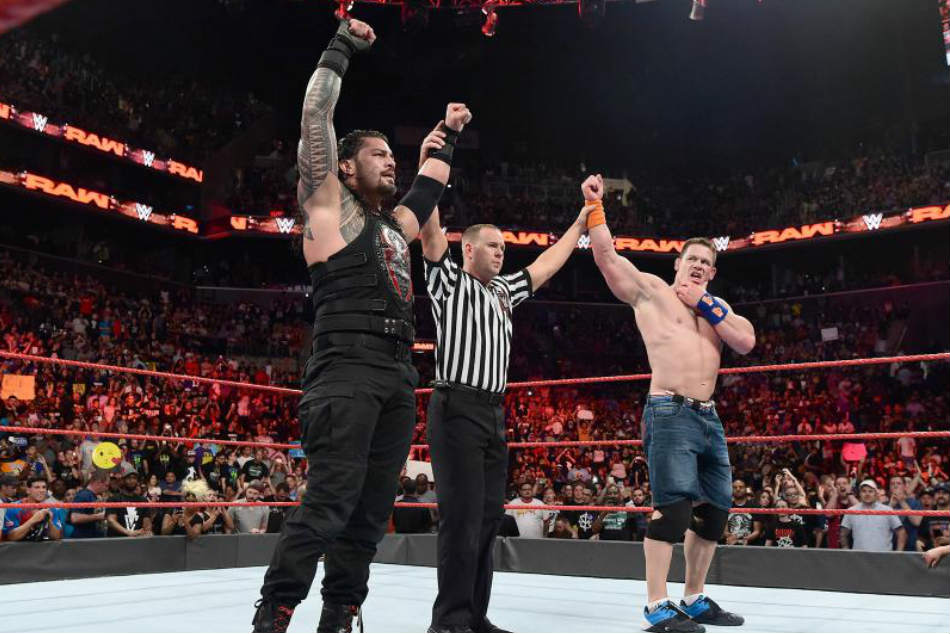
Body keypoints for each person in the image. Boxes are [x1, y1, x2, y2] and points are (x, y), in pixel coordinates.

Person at [253, 15, 470, 633]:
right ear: (346, 167)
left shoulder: (394, 226)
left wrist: (447, 137)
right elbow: (315, 115)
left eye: (392, 155)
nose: (390, 162)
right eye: (378, 154)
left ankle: (340, 612)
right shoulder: (328, 205)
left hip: (397, 375)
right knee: (329, 500)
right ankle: (274, 613)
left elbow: (428, 190)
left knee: (371, 511)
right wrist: (342, 46)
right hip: (345, 369)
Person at [417, 152, 589, 634]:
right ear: (468, 249)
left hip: (493, 413)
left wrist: (581, 220)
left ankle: (475, 615)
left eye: (503, 247)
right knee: (461, 517)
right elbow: (430, 234)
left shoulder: (504, 291)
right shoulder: (448, 281)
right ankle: (449, 620)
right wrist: (431, 164)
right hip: (456, 406)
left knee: (489, 517)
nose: (500, 253)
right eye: (492, 246)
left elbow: (546, 264)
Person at [586, 173, 755, 633]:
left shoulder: (718, 310)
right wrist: (596, 208)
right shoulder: (654, 292)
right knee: (674, 509)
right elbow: (607, 258)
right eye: (692, 259)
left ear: (712, 273)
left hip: (708, 417)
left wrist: (707, 304)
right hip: (669, 411)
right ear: (678, 263)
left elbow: (746, 341)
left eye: (706, 262)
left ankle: (694, 598)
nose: (698, 266)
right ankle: (656, 604)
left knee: (714, 511)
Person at [840, 480, 906, 552]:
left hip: (884, 557)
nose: (867, 494)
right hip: (858, 556)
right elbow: (843, 534)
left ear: (876, 493)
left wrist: (899, 553)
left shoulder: (887, 510)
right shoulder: (851, 511)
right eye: (864, 491)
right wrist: (846, 551)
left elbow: (901, 532)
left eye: (870, 491)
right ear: (860, 494)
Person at [2, 476, 63, 542]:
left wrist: (49, 521)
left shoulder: (51, 509)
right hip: (19, 548)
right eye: (37, 487)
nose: (41, 490)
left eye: (44, 487)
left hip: (43, 548)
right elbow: (11, 537)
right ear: (28, 490)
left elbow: (57, 536)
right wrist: (33, 520)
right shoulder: (14, 508)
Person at [106, 471, 153, 537]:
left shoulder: (143, 500)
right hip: (117, 540)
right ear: (123, 480)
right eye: (129, 478)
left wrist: (147, 532)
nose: (132, 481)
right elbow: (111, 521)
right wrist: (128, 532)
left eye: (134, 478)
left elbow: (147, 522)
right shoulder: (114, 499)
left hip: (137, 539)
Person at [69, 470, 110, 539]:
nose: (107, 488)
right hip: (83, 539)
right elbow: (74, 518)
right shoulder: (83, 495)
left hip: (92, 538)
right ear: (98, 482)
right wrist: (98, 516)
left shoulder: (93, 496)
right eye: (106, 485)